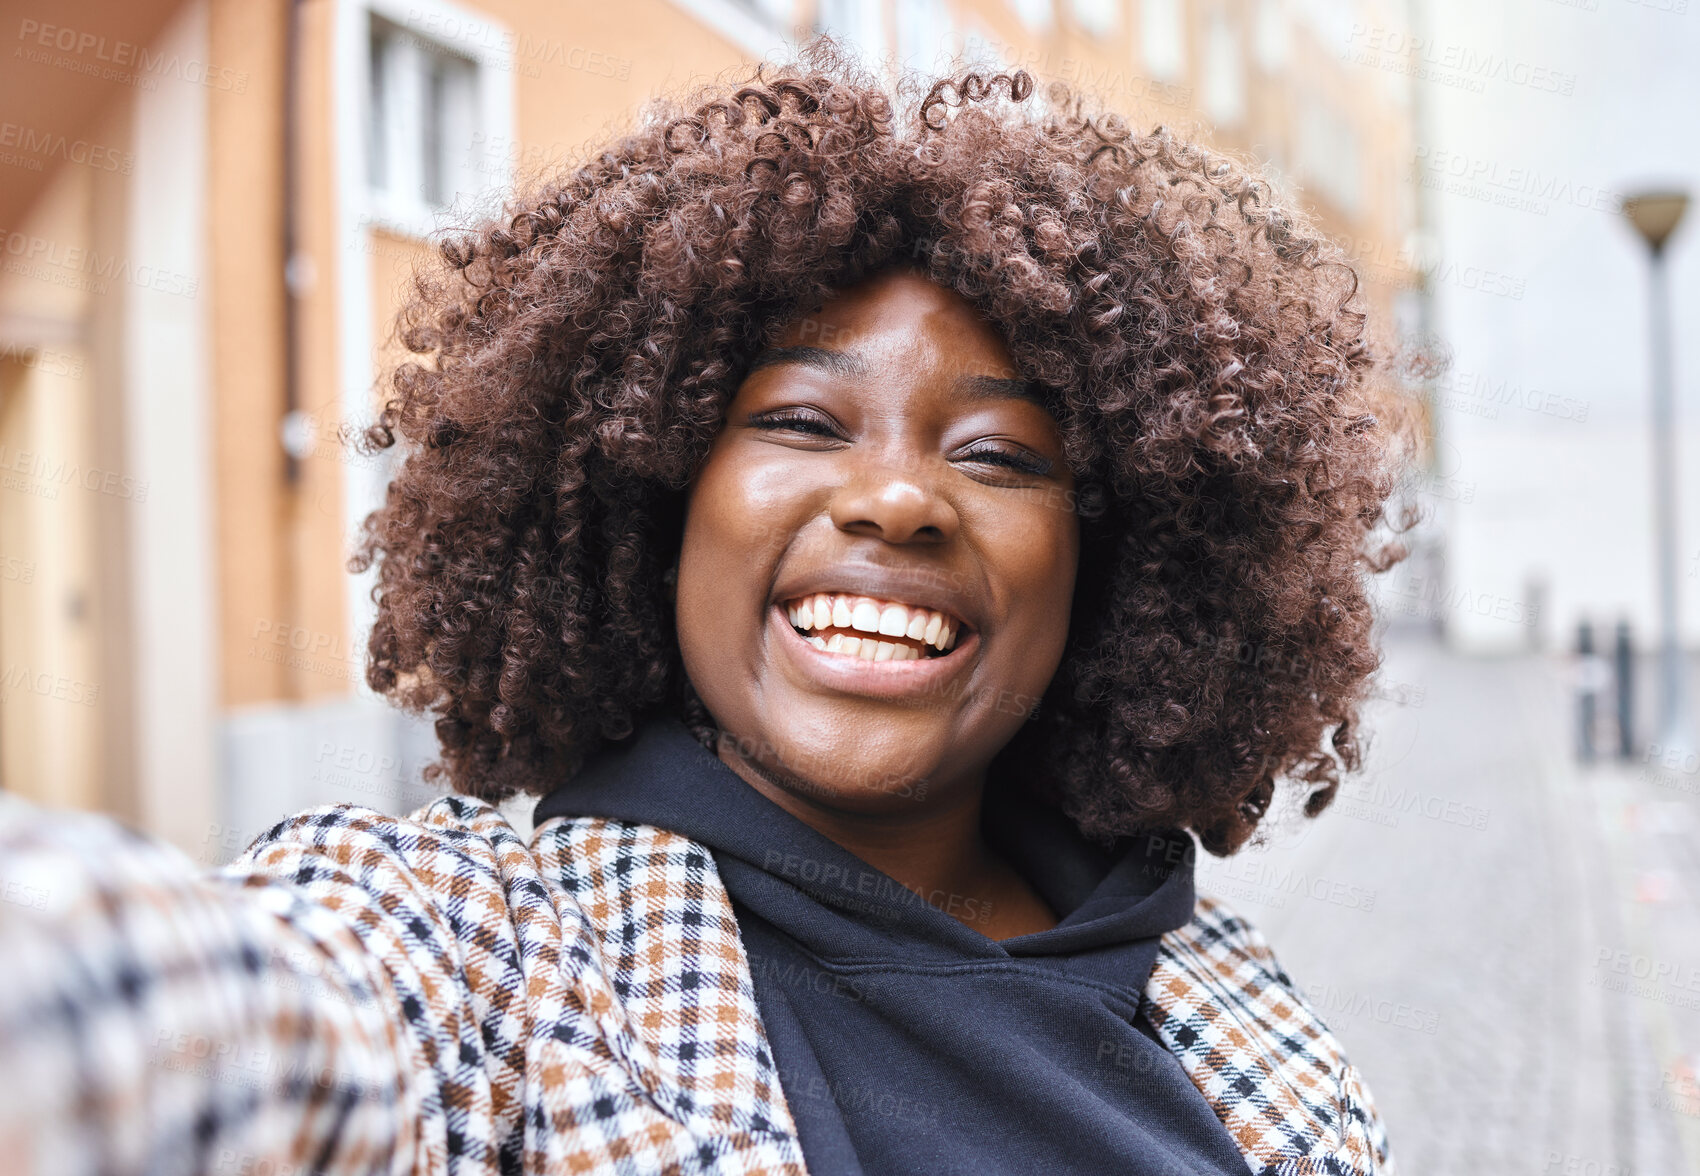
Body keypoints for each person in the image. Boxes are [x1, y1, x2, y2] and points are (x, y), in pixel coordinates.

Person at [0, 49, 1412, 1176]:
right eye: (801, 420)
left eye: (996, 453)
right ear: (657, 503)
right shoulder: (494, 962)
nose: (900, 501)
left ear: (1113, 564)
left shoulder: (1211, 983)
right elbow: (134, 1016)